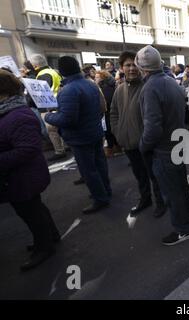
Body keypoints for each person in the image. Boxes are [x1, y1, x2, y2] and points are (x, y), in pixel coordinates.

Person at [135, 45, 189, 246]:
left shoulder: (150, 88)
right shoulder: (170, 81)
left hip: (164, 149)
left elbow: (153, 127)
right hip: (177, 143)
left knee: (171, 192)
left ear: (142, 68)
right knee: (180, 185)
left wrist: (143, 145)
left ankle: (183, 229)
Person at [0, 70, 60, 271]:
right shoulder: (10, 112)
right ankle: (50, 236)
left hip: (24, 177)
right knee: (35, 208)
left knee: (31, 212)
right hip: (21, 177)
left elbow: (27, 150)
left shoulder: (18, 115)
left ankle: (44, 247)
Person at [45, 56, 112, 214]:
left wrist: (48, 116)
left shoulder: (68, 90)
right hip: (94, 131)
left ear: (62, 71)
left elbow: (67, 119)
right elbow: (102, 107)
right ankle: (105, 191)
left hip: (80, 137)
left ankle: (100, 198)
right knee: (100, 165)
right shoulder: (90, 84)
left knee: (89, 170)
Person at [110, 51, 166, 217]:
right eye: (127, 65)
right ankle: (145, 199)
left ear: (141, 67)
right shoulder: (119, 90)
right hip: (128, 143)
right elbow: (113, 113)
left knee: (154, 176)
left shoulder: (147, 87)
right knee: (140, 175)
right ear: (121, 68)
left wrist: (146, 140)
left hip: (146, 144)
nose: (131, 68)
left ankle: (161, 202)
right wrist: (118, 133)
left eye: (134, 64)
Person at [29, 54, 66, 162]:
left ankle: (59, 151)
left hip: (48, 107)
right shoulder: (53, 71)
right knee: (60, 128)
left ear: (35, 65)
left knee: (52, 131)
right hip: (58, 103)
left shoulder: (42, 74)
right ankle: (66, 146)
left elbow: (40, 93)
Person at [95, 70, 121, 157]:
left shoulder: (106, 87)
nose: (95, 79)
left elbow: (108, 100)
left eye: (97, 77)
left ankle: (113, 149)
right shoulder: (103, 86)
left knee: (109, 131)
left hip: (108, 112)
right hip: (107, 112)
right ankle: (115, 147)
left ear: (103, 78)